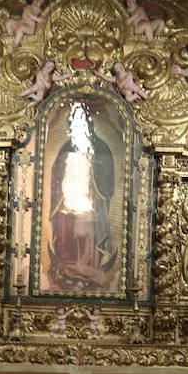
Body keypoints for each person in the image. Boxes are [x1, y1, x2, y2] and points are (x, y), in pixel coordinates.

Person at [47, 102, 115, 290]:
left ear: (89, 124)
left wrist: (95, 193)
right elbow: (56, 176)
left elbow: (107, 180)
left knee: (87, 240)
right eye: (75, 121)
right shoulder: (65, 148)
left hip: (89, 206)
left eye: (82, 121)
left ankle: (88, 275)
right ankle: (67, 274)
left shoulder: (101, 148)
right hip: (66, 204)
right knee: (66, 237)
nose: (79, 124)